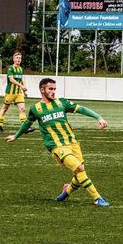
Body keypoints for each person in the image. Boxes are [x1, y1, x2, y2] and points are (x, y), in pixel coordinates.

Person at [7, 78, 110, 207]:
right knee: (79, 169)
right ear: (42, 90)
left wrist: (99, 117)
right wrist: (16, 136)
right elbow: (27, 123)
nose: (53, 92)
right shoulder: (35, 109)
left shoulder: (62, 103)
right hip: (56, 146)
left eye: (54, 89)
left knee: (79, 175)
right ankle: (97, 198)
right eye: (50, 89)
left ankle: (65, 193)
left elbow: (81, 109)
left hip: (72, 143)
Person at [0, 51, 28, 134]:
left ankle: (24, 127)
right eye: (17, 58)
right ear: (14, 59)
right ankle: (0, 126)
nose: (19, 59)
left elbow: (20, 80)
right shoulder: (11, 68)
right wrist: (21, 86)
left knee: (22, 109)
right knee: (5, 109)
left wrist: (24, 91)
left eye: (20, 58)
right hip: (10, 93)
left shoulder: (20, 69)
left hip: (18, 93)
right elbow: (11, 79)